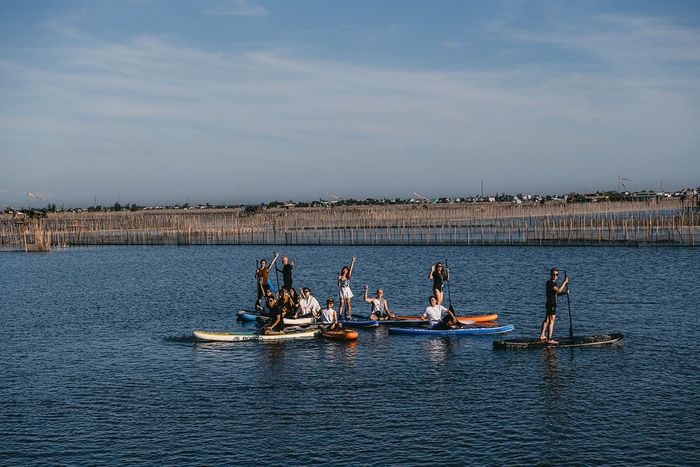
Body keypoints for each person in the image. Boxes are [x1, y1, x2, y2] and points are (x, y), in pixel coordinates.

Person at [539, 267, 570, 344]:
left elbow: (557, 293)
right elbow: (558, 290)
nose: (555, 276)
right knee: (551, 321)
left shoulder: (553, 283)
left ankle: (542, 335)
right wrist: (564, 282)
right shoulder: (551, 283)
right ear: (551, 274)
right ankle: (550, 339)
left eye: (557, 274)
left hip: (549, 303)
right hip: (551, 304)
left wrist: (565, 293)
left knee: (547, 320)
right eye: (554, 274)